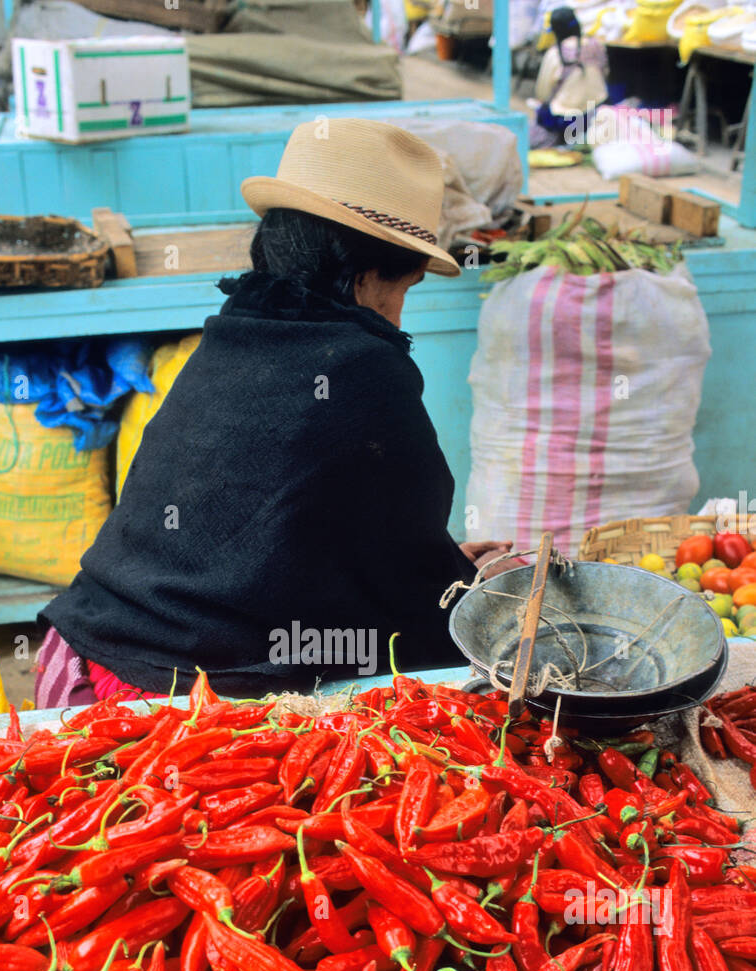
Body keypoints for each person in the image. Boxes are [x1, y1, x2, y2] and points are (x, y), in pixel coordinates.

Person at [36, 118, 511, 707]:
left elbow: (294, 536)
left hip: (73, 663)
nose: (397, 316)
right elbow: (405, 586)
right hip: (158, 708)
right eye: (403, 289)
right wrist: (464, 590)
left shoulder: (233, 331)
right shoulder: (366, 369)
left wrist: (436, 566)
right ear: (363, 273)